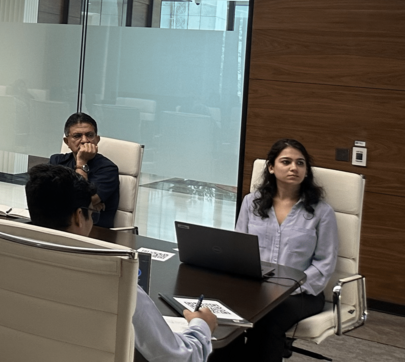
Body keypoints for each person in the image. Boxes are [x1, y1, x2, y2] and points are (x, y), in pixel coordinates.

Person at [25, 163, 217, 362]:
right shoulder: (113, 281)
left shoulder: (15, 264)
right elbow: (179, 358)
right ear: (79, 217)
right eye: (92, 213)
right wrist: (201, 326)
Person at [232, 139, 337, 361]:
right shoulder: (251, 202)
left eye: (300, 163)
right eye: (286, 162)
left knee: (267, 321)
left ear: (306, 171)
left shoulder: (322, 212)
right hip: (255, 289)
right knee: (225, 317)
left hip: (301, 293)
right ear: (271, 167)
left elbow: (324, 264)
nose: (294, 168)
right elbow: (239, 250)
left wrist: (289, 287)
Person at [49, 112, 120, 227]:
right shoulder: (56, 162)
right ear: (67, 142)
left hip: (95, 231)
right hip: (59, 226)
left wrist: (81, 162)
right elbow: (44, 198)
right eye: (77, 136)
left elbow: (80, 202)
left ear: (97, 139)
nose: (84, 140)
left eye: (90, 135)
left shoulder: (108, 169)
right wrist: (88, 204)